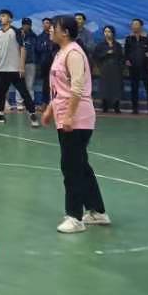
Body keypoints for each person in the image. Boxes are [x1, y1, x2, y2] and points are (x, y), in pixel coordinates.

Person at [41, 15, 109, 233]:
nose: (50, 30)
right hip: (65, 115)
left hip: (78, 119)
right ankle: (97, 212)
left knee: (71, 167)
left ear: (65, 32)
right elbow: (60, 88)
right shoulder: (61, 52)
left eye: (54, 27)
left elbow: (77, 87)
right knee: (81, 165)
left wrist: (69, 116)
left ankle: (74, 217)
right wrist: (50, 110)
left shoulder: (74, 53)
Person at [0, 9, 39, 126]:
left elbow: (23, 49)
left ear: (10, 19)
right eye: (0, 16)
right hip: (1, 70)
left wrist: (21, 67)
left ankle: (33, 115)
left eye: (3, 16)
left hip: (15, 70)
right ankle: (0, 116)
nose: (1, 18)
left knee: (24, 93)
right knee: (0, 94)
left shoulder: (16, 32)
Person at [124, 18, 148, 114]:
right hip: (133, 67)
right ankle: (135, 109)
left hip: (145, 67)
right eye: (133, 25)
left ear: (141, 26)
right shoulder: (129, 38)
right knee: (134, 88)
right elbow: (126, 51)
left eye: (136, 24)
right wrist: (127, 60)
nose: (134, 26)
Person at [93, 26, 124, 114]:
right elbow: (95, 56)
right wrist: (106, 53)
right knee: (105, 87)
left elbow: (121, 57)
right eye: (105, 31)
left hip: (116, 69)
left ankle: (116, 107)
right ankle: (105, 106)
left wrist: (120, 66)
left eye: (109, 31)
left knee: (116, 88)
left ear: (113, 33)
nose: (107, 33)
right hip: (105, 69)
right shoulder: (100, 45)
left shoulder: (117, 45)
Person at [17, 18, 38, 111]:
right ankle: (19, 103)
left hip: (30, 63)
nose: (25, 26)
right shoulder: (16, 34)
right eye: (24, 24)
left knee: (30, 84)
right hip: (18, 63)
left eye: (27, 24)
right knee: (19, 84)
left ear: (30, 25)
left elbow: (37, 49)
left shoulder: (34, 36)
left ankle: (30, 103)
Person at [37, 17, 57, 105]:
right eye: (44, 23)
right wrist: (46, 47)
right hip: (45, 64)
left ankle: (55, 102)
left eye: (47, 23)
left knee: (56, 83)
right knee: (46, 83)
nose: (45, 25)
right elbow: (38, 48)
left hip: (55, 63)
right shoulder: (40, 37)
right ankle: (45, 102)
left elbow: (56, 48)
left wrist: (47, 46)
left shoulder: (55, 36)